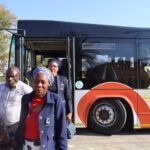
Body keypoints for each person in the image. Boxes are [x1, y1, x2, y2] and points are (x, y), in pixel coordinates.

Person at [16, 66, 67, 150]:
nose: (39, 85)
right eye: (36, 82)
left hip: (45, 146)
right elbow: (21, 123)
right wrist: (17, 142)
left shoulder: (56, 100)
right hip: (26, 145)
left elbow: (62, 129)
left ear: (49, 83)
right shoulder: (25, 99)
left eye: (43, 82)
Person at [0, 66, 33, 145]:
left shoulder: (26, 89)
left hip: (15, 126)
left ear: (19, 76)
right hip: (2, 125)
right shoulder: (1, 86)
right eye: (8, 76)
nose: (10, 79)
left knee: (14, 146)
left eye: (12, 76)